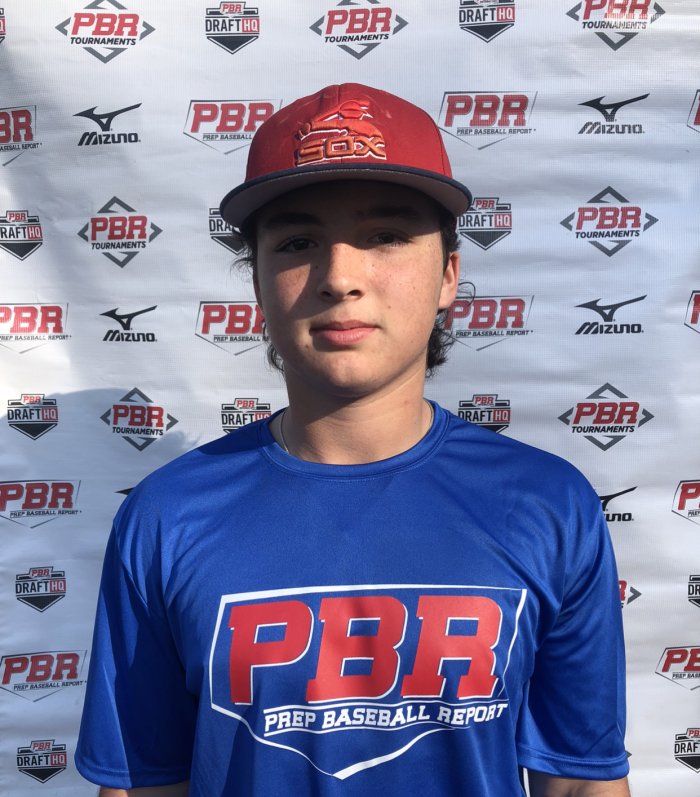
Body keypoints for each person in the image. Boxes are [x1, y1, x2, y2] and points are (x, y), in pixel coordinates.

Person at [75, 84, 630, 797]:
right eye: (298, 243)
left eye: (385, 236)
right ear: (259, 286)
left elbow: (581, 783)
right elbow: (143, 785)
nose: (340, 278)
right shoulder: (166, 515)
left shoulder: (547, 502)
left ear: (449, 275)